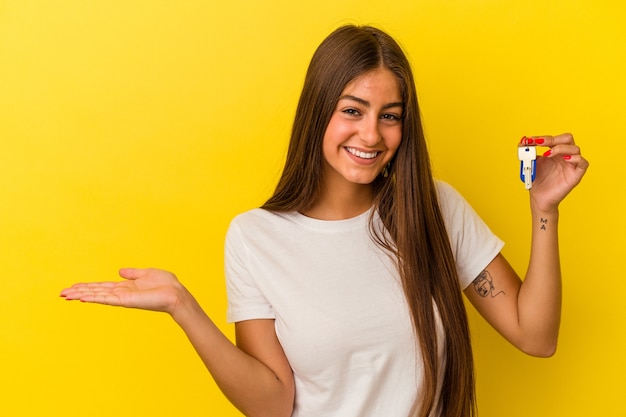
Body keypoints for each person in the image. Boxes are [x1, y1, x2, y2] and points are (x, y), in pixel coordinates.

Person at [60, 25, 589, 417]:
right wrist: (183, 306)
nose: (371, 136)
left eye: (390, 116)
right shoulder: (255, 238)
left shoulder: (434, 209)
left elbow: (535, 335)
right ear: (319, 111)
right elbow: (273, 403)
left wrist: (544, 212)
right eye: (352, 110)